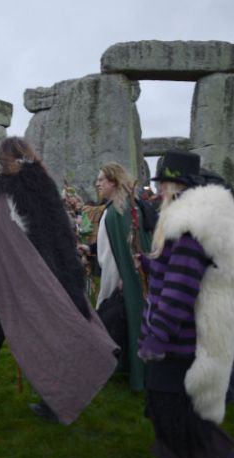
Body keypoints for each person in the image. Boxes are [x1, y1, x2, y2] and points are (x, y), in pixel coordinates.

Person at [0, 137, 118, 427]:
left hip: (26, 282)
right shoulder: (43, 184)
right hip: (49, 276)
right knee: (18, 336)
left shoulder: (9, 190)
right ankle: (51, 403)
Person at [132, 151, 234, 458]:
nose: (158, 193)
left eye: (162, 184)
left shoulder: (188, 225)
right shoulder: (190, 222)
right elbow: (177, 271)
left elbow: (180, 290)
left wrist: (157, 337)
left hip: (178, 341)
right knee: (161, 406)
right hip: (178, 337)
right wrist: (151, 263)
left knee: (177, 411)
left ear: (174, 186)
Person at [84, 162, 151, 392]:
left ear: (113, 181)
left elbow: (120, 254)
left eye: (101, 179)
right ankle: (127, 366)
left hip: (124, 278)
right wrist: (91, 252)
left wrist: (117, 282)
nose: (97, 183)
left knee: (122, 319)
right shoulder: (123, 207)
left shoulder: (118, 211)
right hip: (127, 275)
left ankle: (134, 372)